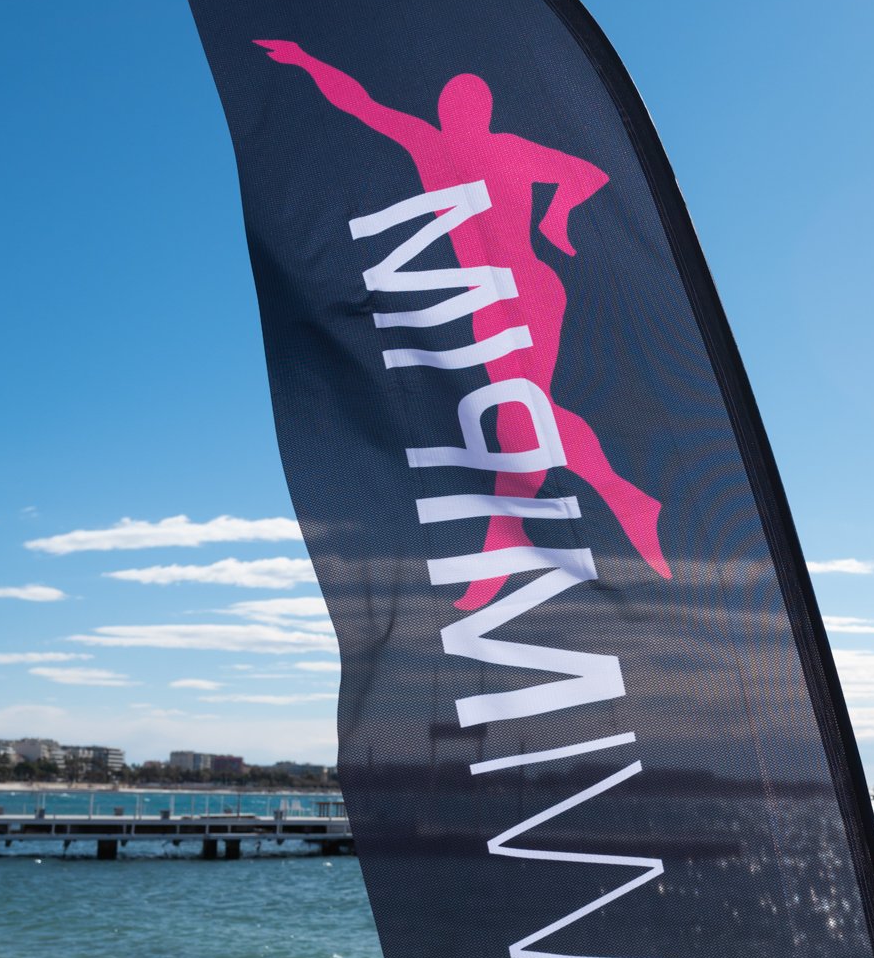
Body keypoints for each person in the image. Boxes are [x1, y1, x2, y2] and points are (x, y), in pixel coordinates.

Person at [256, 40, 669, 611]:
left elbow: (588, 175)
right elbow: (360, 105)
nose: (459, 115)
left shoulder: (493, 149)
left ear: (480, 113)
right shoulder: (434, 145)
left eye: (466, 107)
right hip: (488, 300)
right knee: (519, 411)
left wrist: (555, 222)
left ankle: (518, 542)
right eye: (454, 107)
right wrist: (306, 61)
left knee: (516, 410)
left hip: (526, 292)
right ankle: (617, 504)